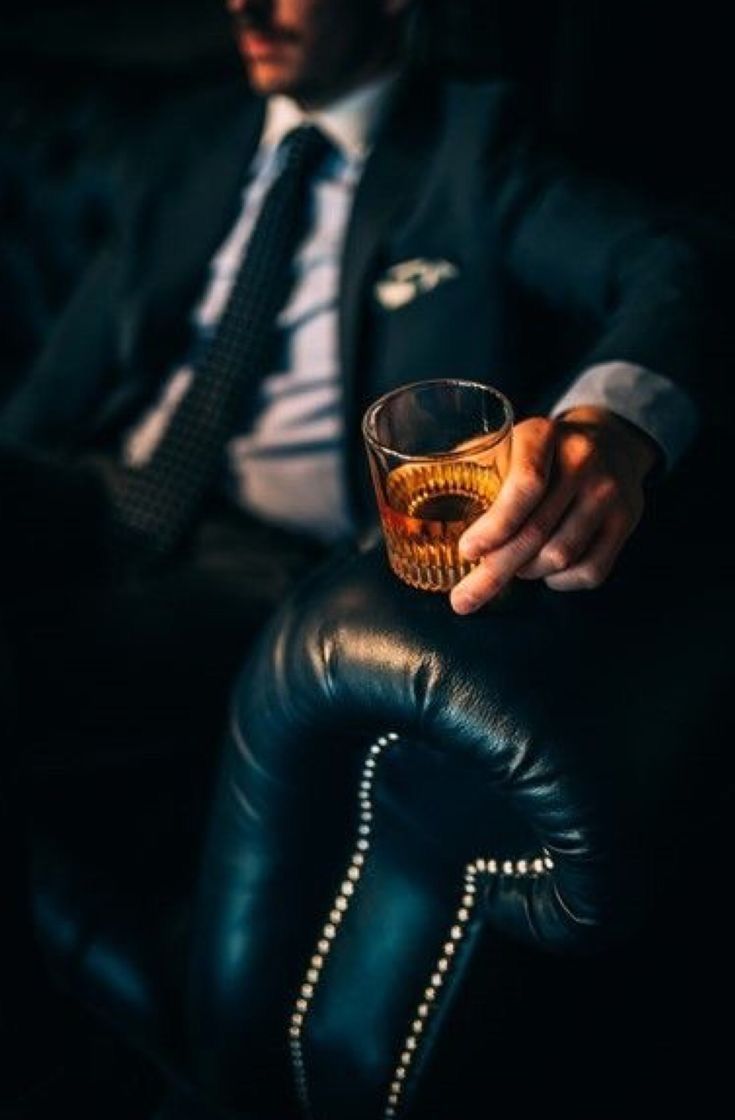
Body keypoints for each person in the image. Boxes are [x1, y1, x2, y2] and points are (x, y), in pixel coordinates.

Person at [0, 0, 723, 1102]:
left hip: (260, 565)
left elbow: (678, 260)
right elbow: (66, 386)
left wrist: (608, 427)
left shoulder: (476, 147)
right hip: (87, 499)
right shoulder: (196, 136)